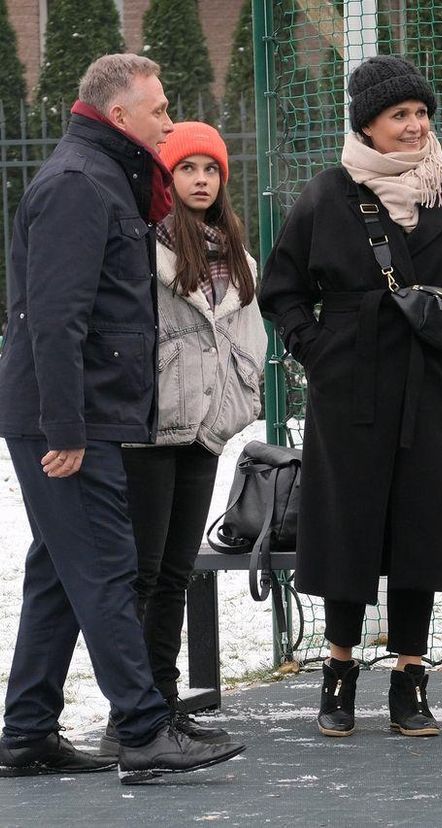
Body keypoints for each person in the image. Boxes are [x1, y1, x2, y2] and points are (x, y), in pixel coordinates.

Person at [0, 54, 245, 782]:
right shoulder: (80, 184)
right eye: (160, 110)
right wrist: (67, 431)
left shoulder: (105, 176)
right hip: (67, 423)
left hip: (84, 414)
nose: (169, 121)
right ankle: (142, 730)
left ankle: (25, 734)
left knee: (59, 573)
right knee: (106, 569)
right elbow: (55, 318)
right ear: (118, 116)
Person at [258, 55, 442, 738]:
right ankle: (338, 673)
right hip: (350, 398)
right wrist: (320, 352)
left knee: (421, 534)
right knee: (348, 531)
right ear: (367, 124)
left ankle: (411, 678)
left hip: (436, 393)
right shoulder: (326, 195)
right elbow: (281, 289)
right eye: (400, 114)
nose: (415, 125)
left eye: (422, 113)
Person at [96, 122, 268, 755]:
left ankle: (163, 702)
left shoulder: (240, 259)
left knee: (175, 572)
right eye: (186, 169)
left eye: (211, 169)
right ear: (167, 179)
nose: (201, 180)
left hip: (203, 431)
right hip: (150, 429)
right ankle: (131, 716)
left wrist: (236, 402)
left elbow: (250, 340)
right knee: (140, 573)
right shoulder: (145, 251)